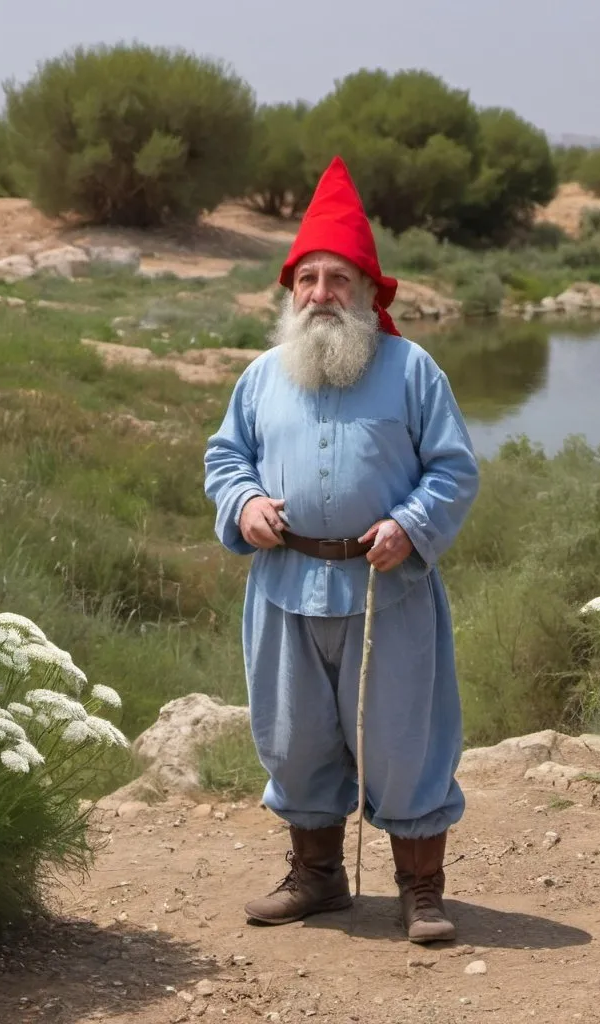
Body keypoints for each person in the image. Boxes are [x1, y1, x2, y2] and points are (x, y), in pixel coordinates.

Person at [203, 156, 480, 943]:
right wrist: (246, 501)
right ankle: (319, 879)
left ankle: (421, 893)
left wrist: (410, 524)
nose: (322, 295)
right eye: (309, 280)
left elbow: (455, 469)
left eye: (338, 280)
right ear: (291, 292)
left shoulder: (411, 370)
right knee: (293, 741)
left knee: (403, 740)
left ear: (367, 292)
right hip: (285, 586)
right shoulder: (260, 378)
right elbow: (226, 459)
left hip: (385, 588)